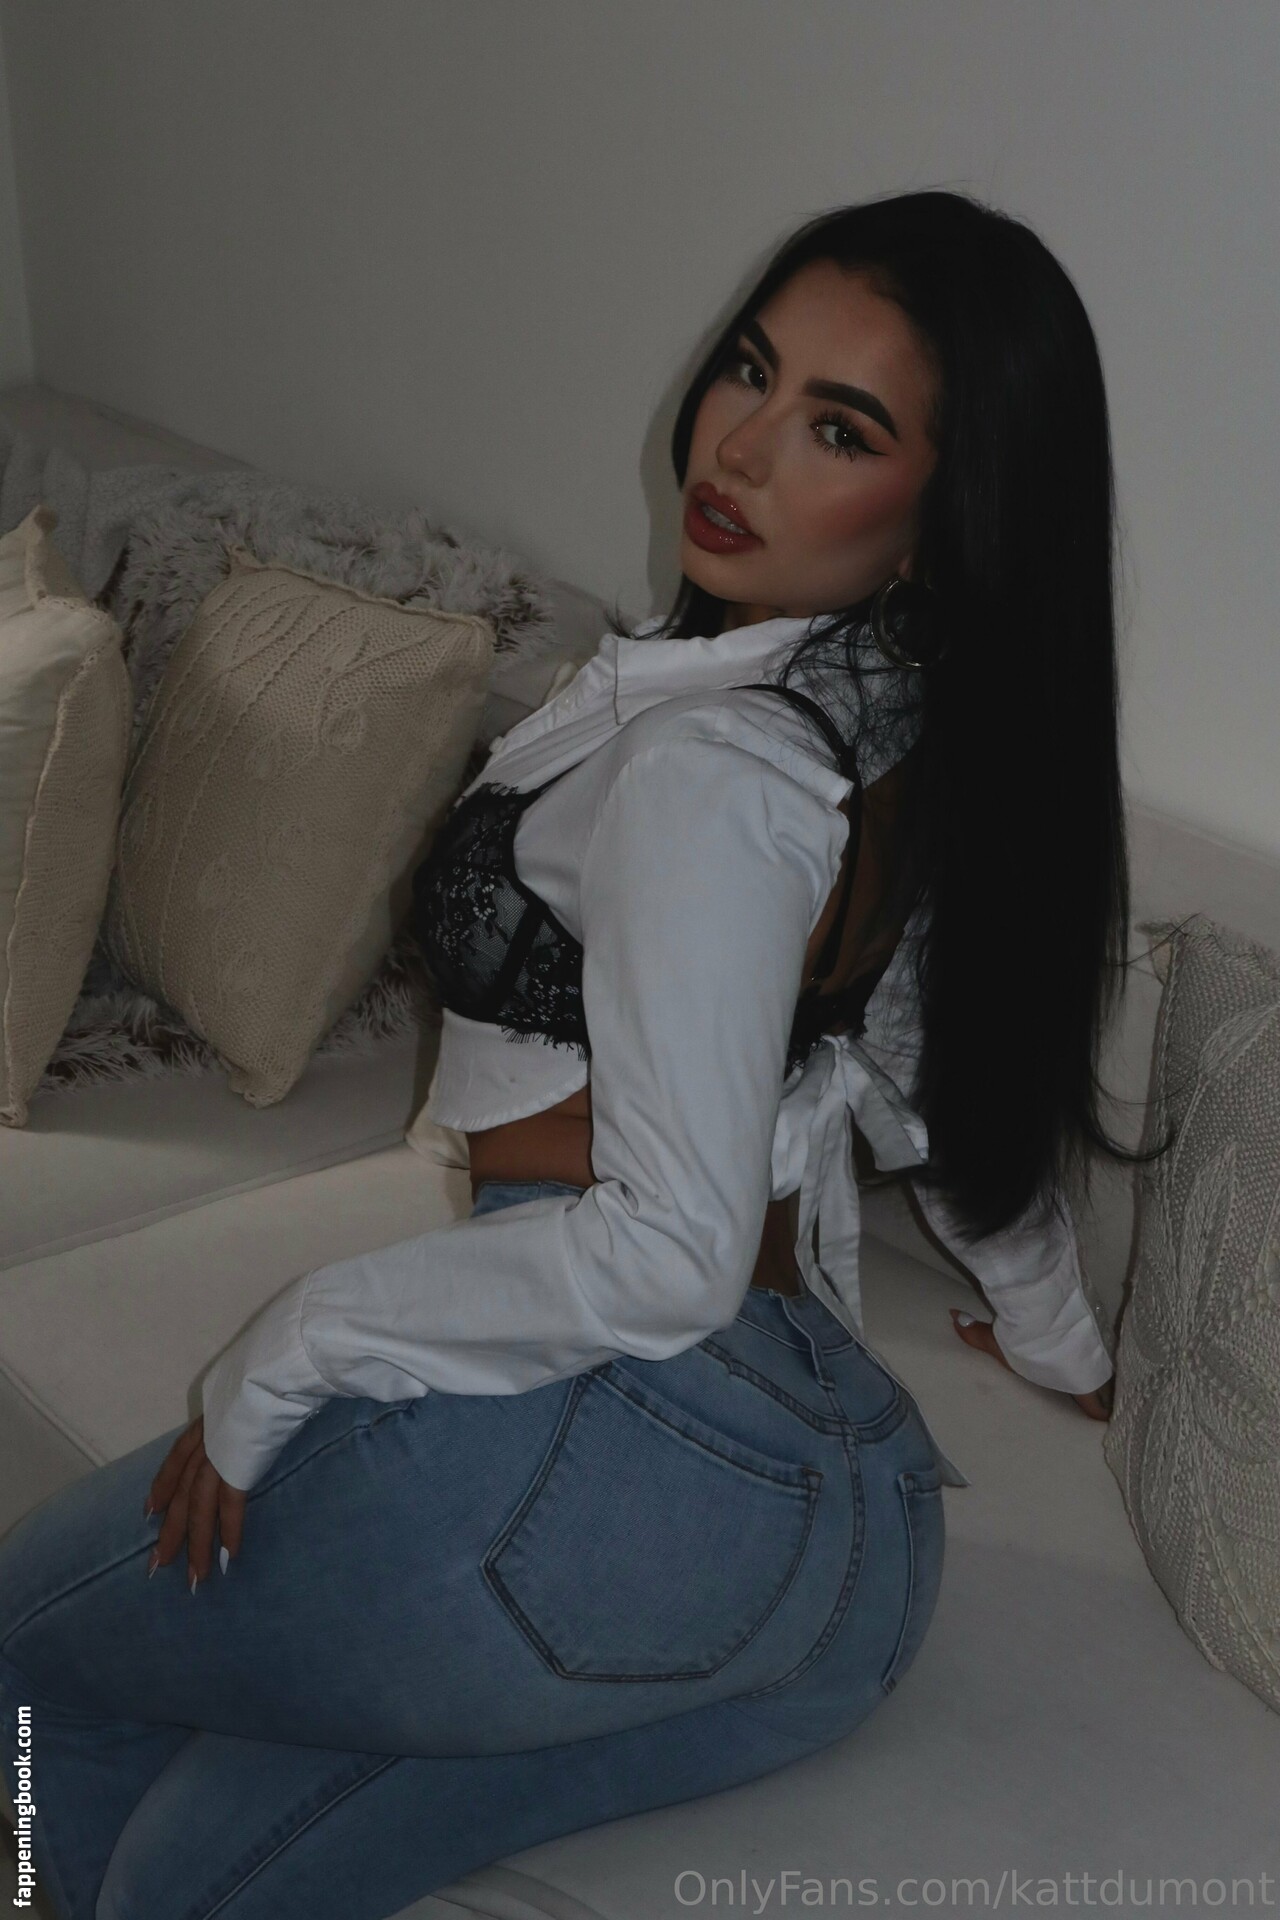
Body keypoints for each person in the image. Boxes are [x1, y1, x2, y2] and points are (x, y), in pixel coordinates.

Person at [0, 188, 1162, 1919]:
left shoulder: (712, 773)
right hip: (849, 1549)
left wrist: (292, 1347)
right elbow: (939, 1063)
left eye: (840, 429)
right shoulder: (883, 716)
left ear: (943, 512)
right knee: (189, 1869)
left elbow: (671, 1256)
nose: (742, 446)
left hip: (620, 1457)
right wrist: (1067, 1344)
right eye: (753, 371)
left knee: (24, 1659)